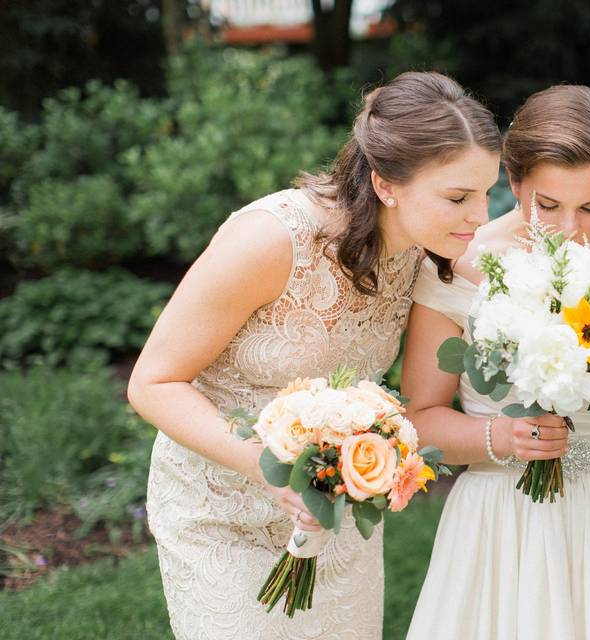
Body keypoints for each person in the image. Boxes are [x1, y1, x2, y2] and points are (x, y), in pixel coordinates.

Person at [127, 71, 501, 639]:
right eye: (458, 197)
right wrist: (267, 469)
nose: (480, 216)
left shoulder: (429, 249)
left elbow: (519, 284)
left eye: (487, 192)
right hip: (219, 511)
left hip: (332, 510)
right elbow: (151, 383)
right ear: (386, 185)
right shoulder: (271, 240)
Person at [402, 85, 590, 640]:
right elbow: (419, 417)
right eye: (547, 205)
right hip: (500, 520)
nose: (569, 228)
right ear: (513, 183)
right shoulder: (457, 268)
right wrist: (502, 437)